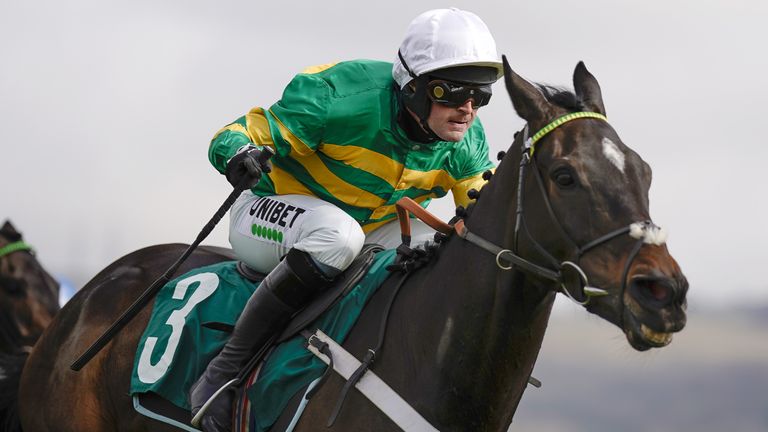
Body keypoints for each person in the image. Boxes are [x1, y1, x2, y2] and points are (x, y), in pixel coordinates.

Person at [190, 7, 504, 431]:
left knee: (437, 252)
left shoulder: (466, 141)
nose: (468, 110)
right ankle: (223, 372)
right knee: (338, 237)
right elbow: (235, 134)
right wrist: (238, 153)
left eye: (480, 97)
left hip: (366, 232)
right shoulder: (338, 95)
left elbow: (483, 219)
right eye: (453, 94)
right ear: (413, 87)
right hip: (268, 214)